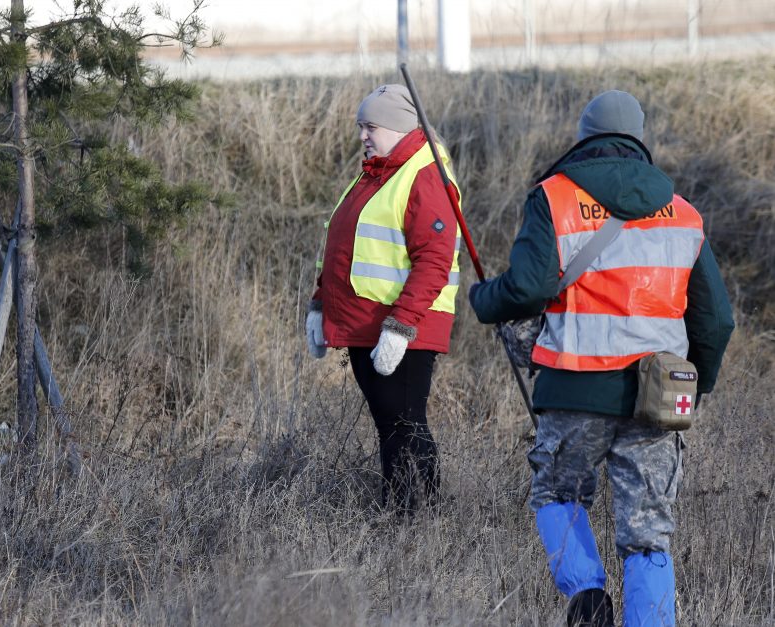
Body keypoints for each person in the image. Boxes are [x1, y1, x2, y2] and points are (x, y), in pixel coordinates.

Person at [468, 90, 734, 626]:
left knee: (556, 491)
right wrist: (694, 386)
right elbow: (717, 321)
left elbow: (525, 288)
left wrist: (482, 299)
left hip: (573, 388)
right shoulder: (683, 214)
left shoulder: (555, 197)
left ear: (584, 137)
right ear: (639, 140)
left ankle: (587, 597)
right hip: (657, 398)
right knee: (648, 532)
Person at [305, 84, 462, 515]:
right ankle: (397, 517)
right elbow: (342, 246)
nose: (363, 136)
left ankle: (418, 521)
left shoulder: (424, 174)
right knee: (390, 426)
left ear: (396, 126)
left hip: (403, 328)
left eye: (370, 126)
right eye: (361, 127)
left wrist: (400, 327)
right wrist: (320, 303)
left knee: (406, 426)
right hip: (365, 324)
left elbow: (434, 259)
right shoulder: (378, 172)